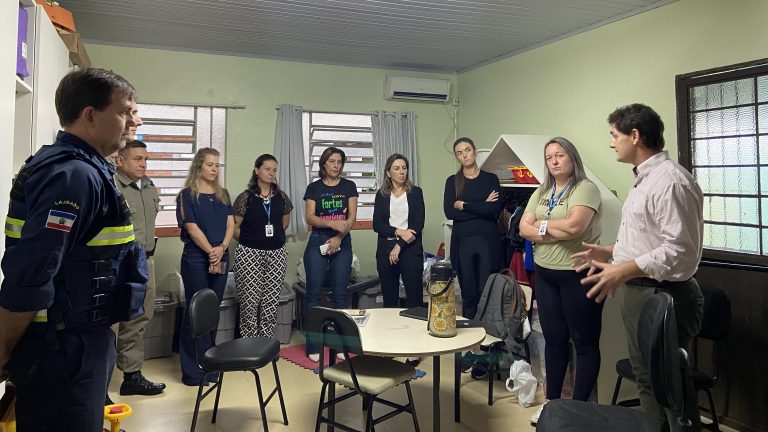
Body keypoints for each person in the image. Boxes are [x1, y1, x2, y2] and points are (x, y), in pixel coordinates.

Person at [0, 68, 144, 431]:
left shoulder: (89, 169)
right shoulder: (73, 176)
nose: (135, 122)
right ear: (90, 115)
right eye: (126, 112)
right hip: (63, 348)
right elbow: (31, 277)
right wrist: (3, 349)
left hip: (80, 341)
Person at [573, 103, 704, 431]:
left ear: (635, 135)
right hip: (640, 291)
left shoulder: (670, 181)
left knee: (670, 386)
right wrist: (610, 252)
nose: (611, 143)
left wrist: (623, 269)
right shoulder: (644, 179)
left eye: (614, 135)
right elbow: (649, 239)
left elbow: (680, 251)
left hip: (664, 293)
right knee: (646, 378)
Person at [518, 137, 603, 424]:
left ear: (571, 158)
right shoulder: (542, 190)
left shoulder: (585, 189)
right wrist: (556, 230)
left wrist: (540, 227)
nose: (554, 161)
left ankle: (578, 410)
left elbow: (575, 227)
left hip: (579, 275)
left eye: (559, 155)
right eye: (549, 157)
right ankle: (551, 404)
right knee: (554, 340)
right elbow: (523, 228)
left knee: (584, 343)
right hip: (546, 275)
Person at [176, 148, 234, 386]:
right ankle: (192, 371)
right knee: (195, 312)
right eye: (210, 164)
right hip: (196, 259)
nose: (214, 169)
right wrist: (211, 251)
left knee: (211, 311)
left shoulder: (223, 194)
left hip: (221, 255)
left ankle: (209, 365)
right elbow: (191, 228)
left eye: (217, 165)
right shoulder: (187, 195)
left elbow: (230, 224)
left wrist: (222, 248)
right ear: (199, 165)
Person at [112, 140, 166, 396]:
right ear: (120, 160)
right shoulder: (112, 185)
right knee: (109, 323)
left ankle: (131, 376)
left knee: (139, 317)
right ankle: (98, 384)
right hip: (117, 263)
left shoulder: (148, 186)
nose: (143, 164)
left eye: (146, 159)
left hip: (145, 261)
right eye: (137, 159)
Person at [303, 147, 358, 362]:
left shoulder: (349, 186)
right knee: (313, 295)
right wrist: (331, 224)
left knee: (340, 294)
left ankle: (341, 345)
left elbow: (351, 218)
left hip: (342, 241)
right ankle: (313, 346)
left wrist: (339, 237)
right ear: (324, 164)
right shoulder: (314, 188)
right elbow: (310, 217)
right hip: (318, 240)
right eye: (332, 161)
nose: (336, 165)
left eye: (339, 162)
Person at [233, 154, 293, 339]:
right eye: (267, 169)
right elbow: (234, 227)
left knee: (271, 301)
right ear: (256, 170)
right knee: (249, 301)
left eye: (274, 170)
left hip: (277, 254)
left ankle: (266, 343)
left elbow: (284, 223)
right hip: (249, 254)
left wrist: (270, 239)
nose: (271, 173)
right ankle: (249, 343)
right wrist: (251, 241)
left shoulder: (281, 197)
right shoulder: (245, 198)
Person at [443, 137, 503, 320]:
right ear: (457, 157)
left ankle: (488, 333)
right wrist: (482, 205)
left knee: (486, 294)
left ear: (475, 152)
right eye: (459, 153)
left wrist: (464, 206)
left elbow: (494, 209)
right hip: (463, 243)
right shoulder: (452, 181)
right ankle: (470, 334)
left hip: (487, 242)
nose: (465, 155)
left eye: (468, 150)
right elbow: (450, 212)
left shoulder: (490, 179)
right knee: (468, 296)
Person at [373, 153, 425, 309]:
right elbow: (377, 225)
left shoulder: (416, 193)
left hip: (410, 249)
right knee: (389, 302)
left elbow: (418, 224)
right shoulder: (381, 194)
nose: (402, 172)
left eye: (404, 168)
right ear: (388, 173)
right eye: (396, 168)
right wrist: (399, 232)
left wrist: (399, 245)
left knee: (415, 301)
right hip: (386, 250)